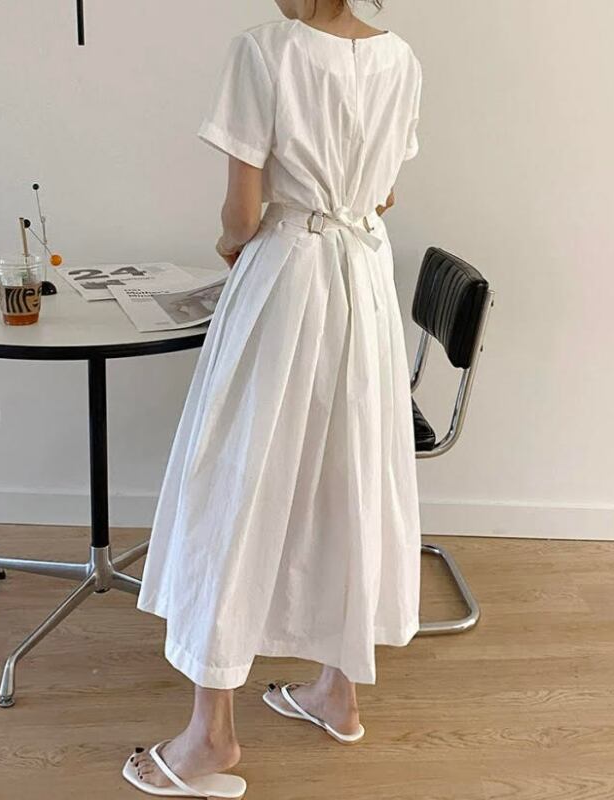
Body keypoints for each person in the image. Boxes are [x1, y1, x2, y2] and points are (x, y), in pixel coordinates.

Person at [127, 0, 423, 794]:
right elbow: (384, 196)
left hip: (291, 278)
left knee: (237, 481)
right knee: (350, 475)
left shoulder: (265, 50)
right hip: (365, 277)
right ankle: (338, 693)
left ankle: (209, 739)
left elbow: (242, 211)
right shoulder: (400, 58)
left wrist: (232, 244)